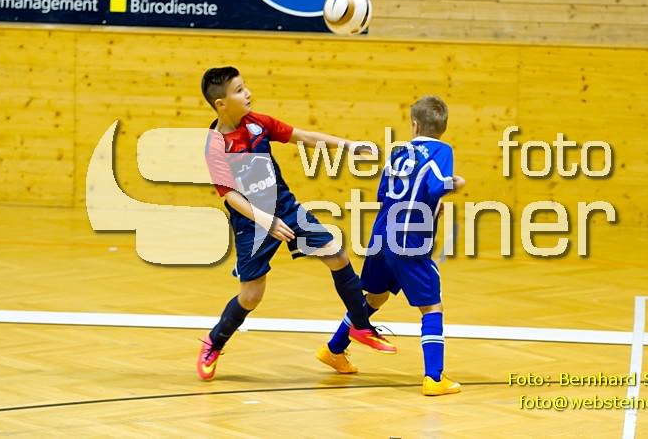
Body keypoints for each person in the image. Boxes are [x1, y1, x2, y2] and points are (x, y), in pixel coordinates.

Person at [197, 66, 396, 381]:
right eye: (239, 90)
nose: (247, 93)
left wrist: (348, 145)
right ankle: (214, 342)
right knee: (251, 296)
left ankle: (361, 326)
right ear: (221, 103)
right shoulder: (215, 146)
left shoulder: (258, 123)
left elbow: (304, 137)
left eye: (245, 86)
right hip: (252, 223)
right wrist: (267, 221)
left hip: (286, 208)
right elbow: (230, 195)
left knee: (336, 255)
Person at [316, 95, 465, 396]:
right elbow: (436, 185)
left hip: (382, 234)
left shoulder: (398, 153)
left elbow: (384, 194)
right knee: (431, 306)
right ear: (443, 127)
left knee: (376, 297)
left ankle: (334, 349)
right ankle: (434, 377)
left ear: (414, 125)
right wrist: (455, 184)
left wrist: (430, 206)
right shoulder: (442, 150)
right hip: (410, 239)